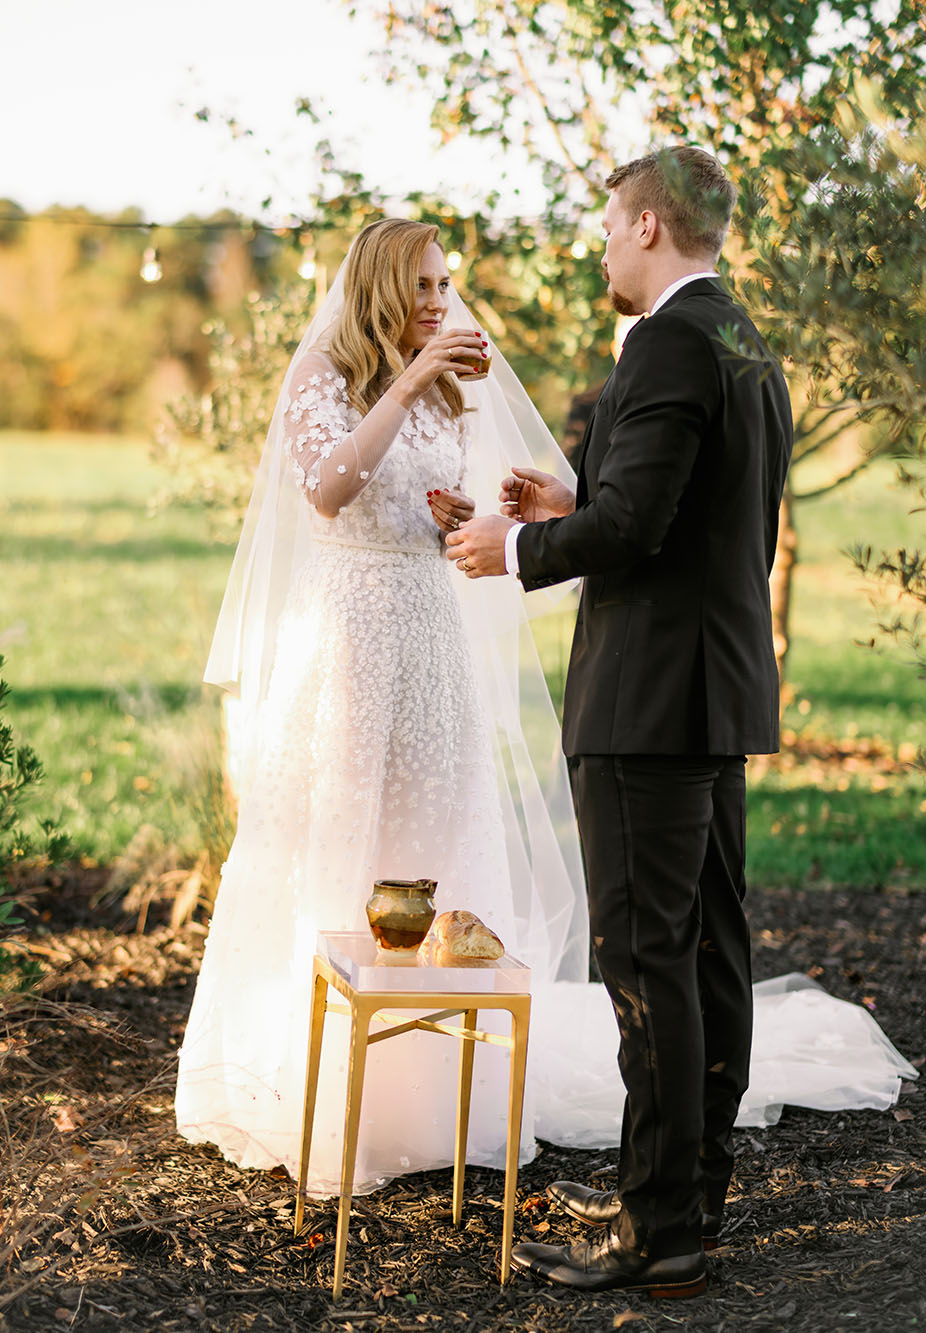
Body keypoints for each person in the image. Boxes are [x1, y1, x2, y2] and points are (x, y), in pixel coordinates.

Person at [174, 218, 590, 1196]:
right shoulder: (325, 371)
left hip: (431, 634)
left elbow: (428, 504)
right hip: (349, 635)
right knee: (336, 839)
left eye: (446, 285)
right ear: (380, 291)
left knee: (433, 837)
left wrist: (463, 517)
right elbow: (327, 488)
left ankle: (440, 1093)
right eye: (424, 287)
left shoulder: (451, 387)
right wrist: (402, 383)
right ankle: (321, 1091)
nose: (441, 304)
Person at [445, 146, 793, 1298]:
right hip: (712, 689)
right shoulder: (742, 338)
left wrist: (517, 549)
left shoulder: (666, 340)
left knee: (647, 961)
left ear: (647, 225)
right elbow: (678, 511)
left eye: (606, 229)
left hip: (645, 702)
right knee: (706, 947)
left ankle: (659, 1233)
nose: (599, 249)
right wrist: (572, 500)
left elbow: (639, 527)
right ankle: (687, 1191)